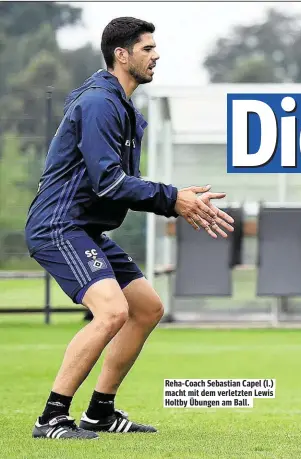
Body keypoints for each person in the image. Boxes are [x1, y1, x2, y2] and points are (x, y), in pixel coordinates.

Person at [25, 17, 234, 440]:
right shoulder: (100, 103)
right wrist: (174, 198)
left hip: (85, 229)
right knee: (113, 312)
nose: (156, 55)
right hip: (58, 226)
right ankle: (51, 417)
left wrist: (175, 199)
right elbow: (110, 182)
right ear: (121, 55)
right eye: (147, 49)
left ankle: (100, 412)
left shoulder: (119, 104)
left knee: (146, 309)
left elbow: (116, 186)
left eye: (155, 48)